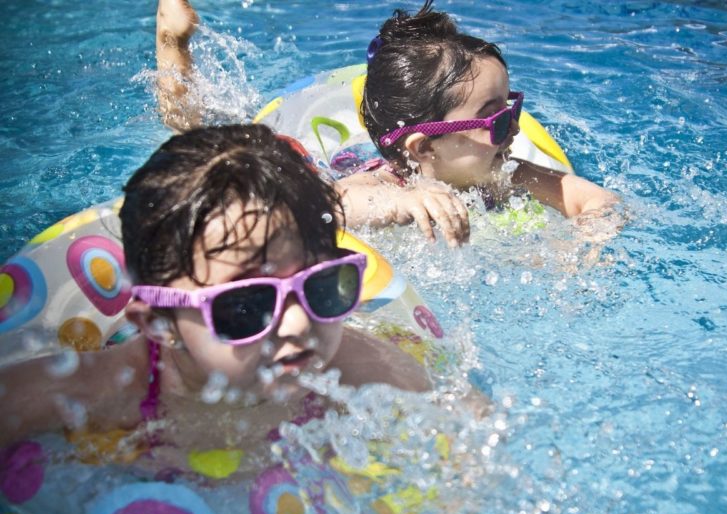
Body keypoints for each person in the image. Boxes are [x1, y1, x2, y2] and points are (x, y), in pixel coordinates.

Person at [0, 123, 429, 458]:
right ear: (158, 321)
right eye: (246, 305)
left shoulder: (356, 368)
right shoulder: (95, 393)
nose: (299, 323)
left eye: (320, 287)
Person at [154, 0, 619, 248]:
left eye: (511, 110)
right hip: (329, 164)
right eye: (493, 121)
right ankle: (172, 43)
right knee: (202, 143)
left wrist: (586, 241)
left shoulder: (508, 175)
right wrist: (400, 202)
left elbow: (593, 198)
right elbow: (327, 207)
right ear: (422, 149)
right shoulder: (384, 180)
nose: (513, 130)